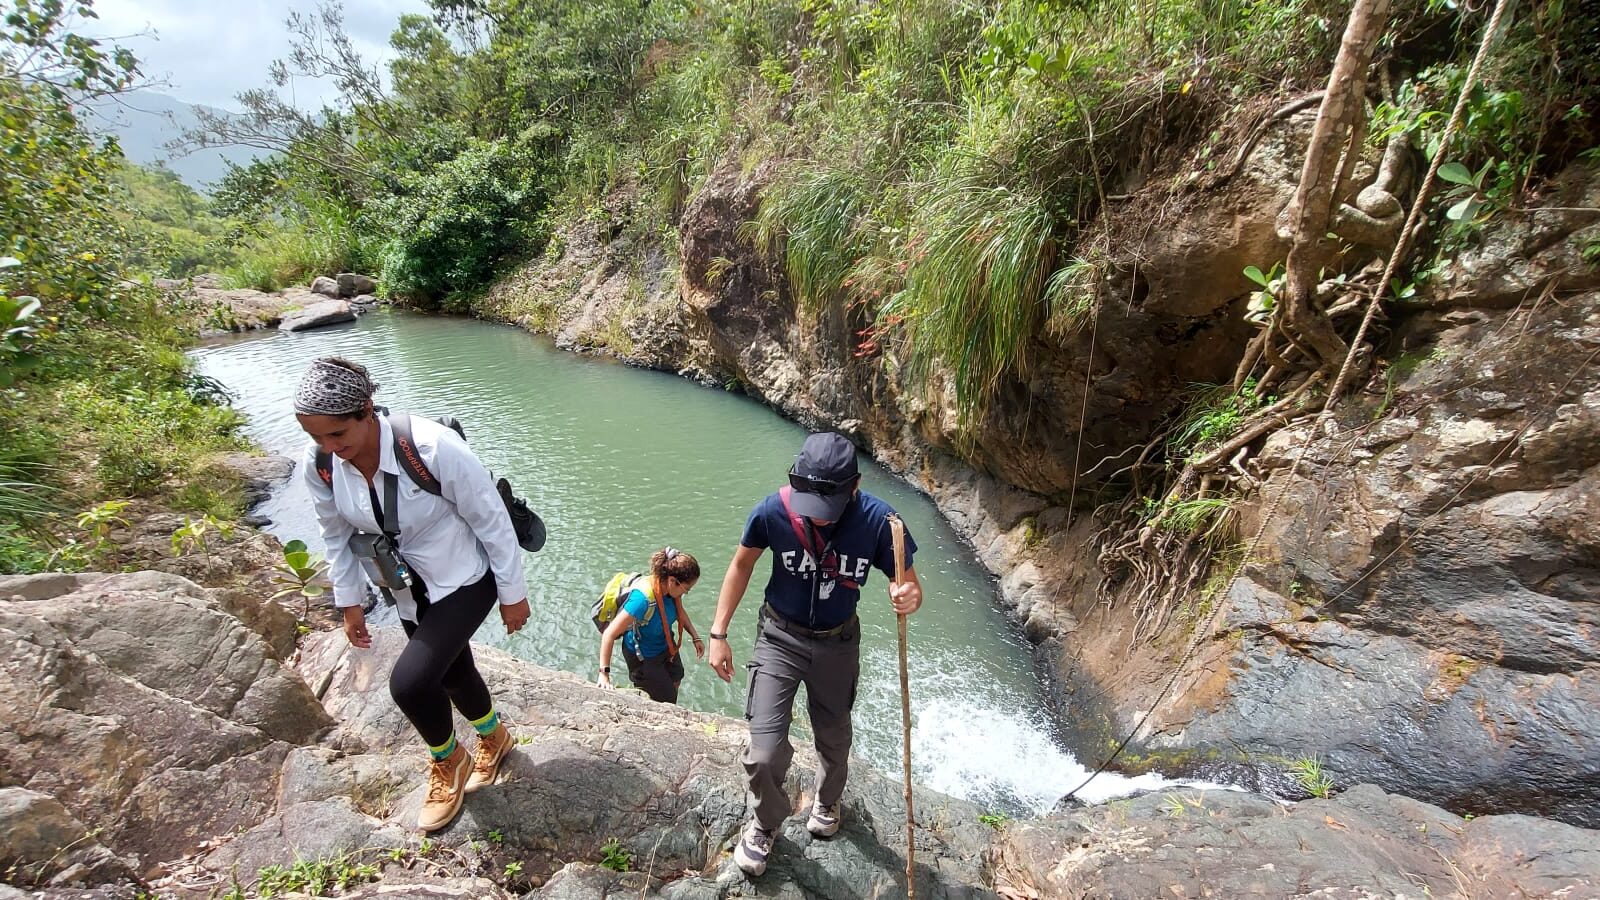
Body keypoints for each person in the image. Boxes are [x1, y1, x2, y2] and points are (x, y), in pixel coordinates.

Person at [294, 356, 531, 833]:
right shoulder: (321, 465)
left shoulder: (430, 447)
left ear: (366, 410)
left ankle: (449, 760)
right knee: (453, 671)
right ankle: (494, 738)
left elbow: (491, 519)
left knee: (410, 683)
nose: (330, 447)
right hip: (404, 586)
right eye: (317, 437)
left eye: (337, 434)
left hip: (465, 576)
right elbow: (335, 533)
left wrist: (513, 593)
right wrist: (349, 603)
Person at [707, 432, 923, 877]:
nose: (818, 516)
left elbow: (907, 582)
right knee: (764, 751)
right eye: (811, 504)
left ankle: (828, 800)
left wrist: (908, 596)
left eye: (829, 506)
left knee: (834, 735)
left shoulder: (882, 522)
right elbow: (741, 564)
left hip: (837, 644)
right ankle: (765, 823)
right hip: (779, 638)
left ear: (855, 487)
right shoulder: (772, 511)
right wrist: (718, 632)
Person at [596, 547, 705, 703]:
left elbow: (679, 611)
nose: (685, 593)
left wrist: (695, 636)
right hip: (644, 657)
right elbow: (609, 634)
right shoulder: (642, 600)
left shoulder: (670, 592)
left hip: (665, 645)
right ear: (672, 581)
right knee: (665, 699)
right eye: (686, 589)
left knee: (676, 677)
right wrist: (604, 674)